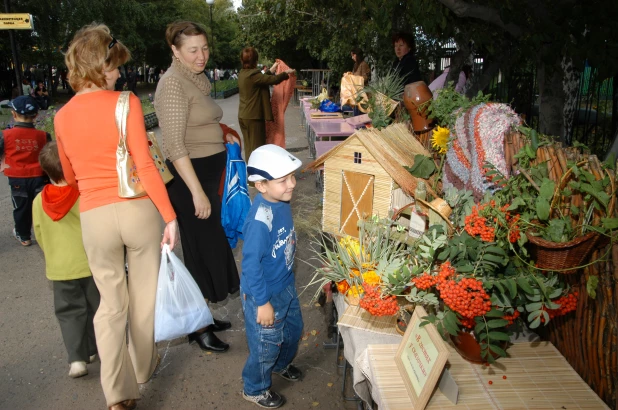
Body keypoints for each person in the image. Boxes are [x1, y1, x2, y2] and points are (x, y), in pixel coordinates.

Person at [54, 23, 179, 410]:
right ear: (98, 66)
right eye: (114, 67)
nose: (119, 74)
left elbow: (70, 176)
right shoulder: (126, 103)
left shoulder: (61, 116)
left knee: (110, 306)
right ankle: (143, 368)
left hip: (94, 215)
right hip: (138, 210)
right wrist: (169, 216)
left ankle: (118, 394)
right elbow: (143, 162)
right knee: (143, 301)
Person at [155, 20, 240, 354]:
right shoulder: (172, 84)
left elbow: (196, 121)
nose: (201, 55)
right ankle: (199, 327)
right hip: (192, 178)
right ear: (175, 50)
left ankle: (202, 316)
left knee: (207, 249)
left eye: (204, 48)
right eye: (193, 50)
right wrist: (197, 192)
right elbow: (175, 146)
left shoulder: (195, 78)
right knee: (201, 252)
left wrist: (222, 130)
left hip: (207, 172)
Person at [241, 144, 304, 409]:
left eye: (292, 176)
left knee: (293, 331)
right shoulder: (259, 220)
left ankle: (280, 365)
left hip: (285, 285)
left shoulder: (280, 201)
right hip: (263, 294)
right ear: (261, 185)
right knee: (265, 347)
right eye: (283, 180)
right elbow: (250, 265)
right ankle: (254, 387)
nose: (292, 184)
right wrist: (263, 302)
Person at [33, 142, 100, 379]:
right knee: (98, 308)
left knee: (69, 313)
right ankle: (97, 349)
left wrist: (52, 254)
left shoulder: (38, 201)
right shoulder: (84, 195)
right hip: (90, 263)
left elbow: (39, 234)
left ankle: (77, 359)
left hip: (60, 269)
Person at [0, 95, 51, 246]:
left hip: (17, 178)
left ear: (14, 115)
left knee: (21, 207)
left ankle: (24, 236)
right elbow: (49, 156)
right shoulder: (43, 135)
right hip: (39, 177)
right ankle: (47, 235)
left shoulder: (5, 135)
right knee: (42, 206)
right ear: (36, 115)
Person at [238, 47, 294, 160]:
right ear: (255, 60)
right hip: (254, 117)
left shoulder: (243, 73)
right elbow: (271, 80)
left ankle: (252, 174)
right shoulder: (253, 75)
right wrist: (285, 73)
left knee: (249, 148)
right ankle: (255, 176)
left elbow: (262, 79)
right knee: (256, 149)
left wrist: (272, 69)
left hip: (244, 116)